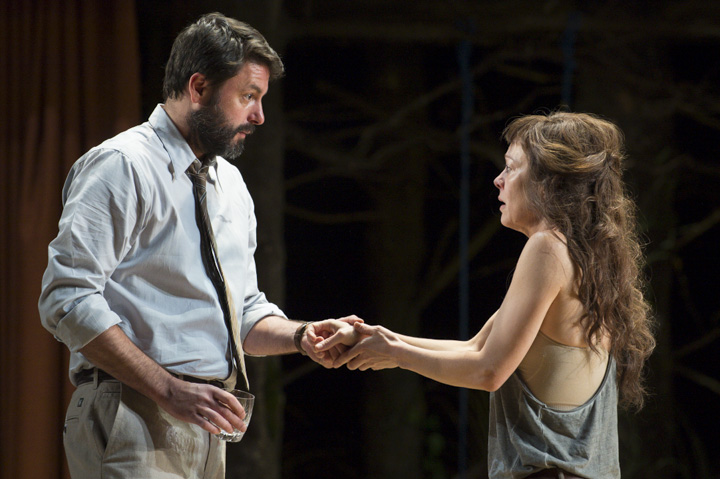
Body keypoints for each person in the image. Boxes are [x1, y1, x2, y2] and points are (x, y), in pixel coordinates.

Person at [39, 12, 357, 479]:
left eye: (262, 99)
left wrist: (300, 336)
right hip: (133, 410)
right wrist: (167, 389)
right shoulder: (122, 165)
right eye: (248, 96)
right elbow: (65, 299)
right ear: (199, 88)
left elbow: (243, 314)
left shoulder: (230, 184)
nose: (259, 116)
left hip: (206, 421)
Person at [318, 112, 656, 478]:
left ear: (548, 182)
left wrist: (397, 354)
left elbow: (489, 371)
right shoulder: (585, 257)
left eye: (512, 168)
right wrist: (379, 339)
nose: (498, 180)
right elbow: (477, 348)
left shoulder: (548, 248)